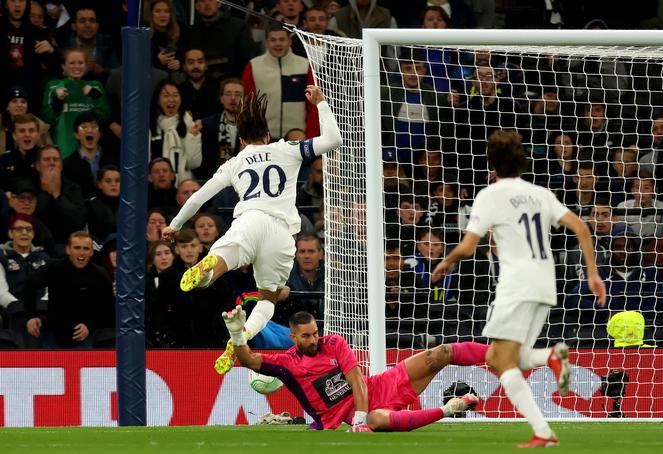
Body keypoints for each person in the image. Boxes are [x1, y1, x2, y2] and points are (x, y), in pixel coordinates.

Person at [432, 129, 607, 448]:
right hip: (545, 282)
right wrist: (593, 275)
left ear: (493, 165)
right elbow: (581, 227)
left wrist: (447, 261)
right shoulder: (539, 193)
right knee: (509, 357)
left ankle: (544, 420)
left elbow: (470, 246)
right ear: (522, 162)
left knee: (500, 361)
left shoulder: (490, 195)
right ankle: (548, 379)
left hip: (517, 284)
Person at [162, 85, 342, 374]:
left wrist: (175, 225)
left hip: (249, 220)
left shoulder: (235, 162)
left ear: (242, 141)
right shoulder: (288, 149)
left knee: (219, 264)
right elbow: (333, 139)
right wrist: (320, 103)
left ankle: (210, 265)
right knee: (268, 298)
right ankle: (240, 339)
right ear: (268, 136)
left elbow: (198, 196)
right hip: (282, 232)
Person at [224, 309, 481, 431]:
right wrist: (237, 333)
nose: (313, 340)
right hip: (345, 416)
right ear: (293, 337)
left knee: (441, 354)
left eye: (315, 333)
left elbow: (356, 378)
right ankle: (451, 409)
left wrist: (360, 414)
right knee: (377, 420)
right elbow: (248, 359)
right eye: (306, 336)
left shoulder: (334, 343)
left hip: (379, 387)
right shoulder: (287, 363)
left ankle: (498, 355)